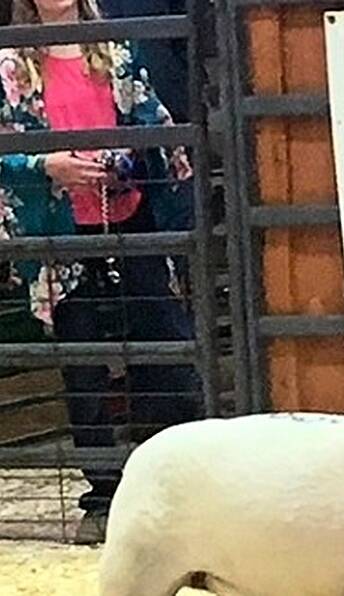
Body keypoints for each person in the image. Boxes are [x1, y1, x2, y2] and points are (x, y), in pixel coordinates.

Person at [0, 0, 202, 542]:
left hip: (127, 211)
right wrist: (46, 164)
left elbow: (153, 121)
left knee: (164, 340)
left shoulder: (118, 46)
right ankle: (104, 495)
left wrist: (127, 163)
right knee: (82, 360)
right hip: (59, 231)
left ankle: (189, 479)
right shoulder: (9, 62)